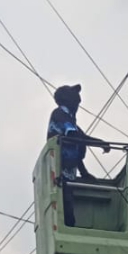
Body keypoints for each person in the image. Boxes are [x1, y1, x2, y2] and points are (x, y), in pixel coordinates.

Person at [47, 85, 111, 227]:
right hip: (59, 174)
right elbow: (75, 137)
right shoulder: (59, 115)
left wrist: (84, 172)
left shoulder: (70, 120)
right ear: (68, 101)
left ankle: (69, 228)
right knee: (66, 210)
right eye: (76, 102)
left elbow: (78, 141)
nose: (78, 105)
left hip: (68, 175)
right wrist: (98, 143)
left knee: (69, 209)